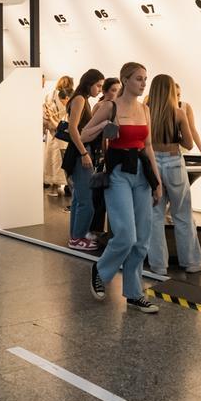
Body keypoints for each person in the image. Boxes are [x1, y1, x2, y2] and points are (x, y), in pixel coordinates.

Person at [86, 62, 162, 314]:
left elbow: (148, 145)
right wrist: (104, 128)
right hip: (118, 173)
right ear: (125, 80)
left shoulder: (144, 109)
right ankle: (101, 269)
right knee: (126, 235)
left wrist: (157, 181)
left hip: (141, 173)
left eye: (145, 78)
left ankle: (134, 293)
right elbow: (84, 134)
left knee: (141, 240)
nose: (143, 83)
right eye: (139, 79)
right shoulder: (110, 106)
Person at [146, 75, 201, 276]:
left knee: (155, 216)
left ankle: (158, 266)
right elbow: (188, 144)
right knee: (182, 214)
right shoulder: (178, 113)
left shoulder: (146, 112)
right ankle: (192, 262)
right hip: (174, 163)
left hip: (153, 163)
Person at [64, 69, 110, 251]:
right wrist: (84, 153)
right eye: (98, 85)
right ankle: (77, 238)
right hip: (79, 152)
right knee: (86, 201)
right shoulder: (80, 99)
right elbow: (73, 129)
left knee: (78, 199)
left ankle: (75, 236)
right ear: (89, 83)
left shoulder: (82, 100)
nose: (100, 89)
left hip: (78, 151)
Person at [42, 76, 73, 197]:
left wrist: (47, 127)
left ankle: (54, 187)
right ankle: (67, 187)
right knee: (62, 159)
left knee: (54, 160)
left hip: (53, 131)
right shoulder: (70, 97)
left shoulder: (50, 96)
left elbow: (45, 114)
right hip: (64, 131)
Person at [176, 84, 201, 155]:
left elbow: (192, 129)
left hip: (183, 148)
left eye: (178, 95)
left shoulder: (185, 107)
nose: (177, 97)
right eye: (174, 94)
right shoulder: (163, 108)